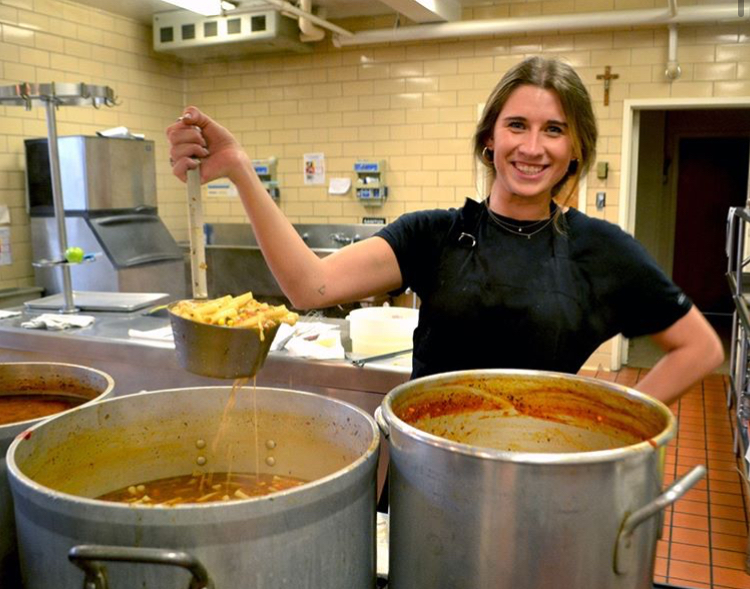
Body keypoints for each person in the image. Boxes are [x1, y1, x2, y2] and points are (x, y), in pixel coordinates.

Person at [167, 55, 723, 406]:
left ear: (575, 150)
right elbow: (308, 287)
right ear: (490, 138)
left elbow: (699, 348)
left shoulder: (600, 250)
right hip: (427, 470)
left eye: (554, 130)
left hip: (541, 479)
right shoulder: (432, 236)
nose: (532, 147)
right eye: (517, 126)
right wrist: (240, 167)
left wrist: (612, 426)